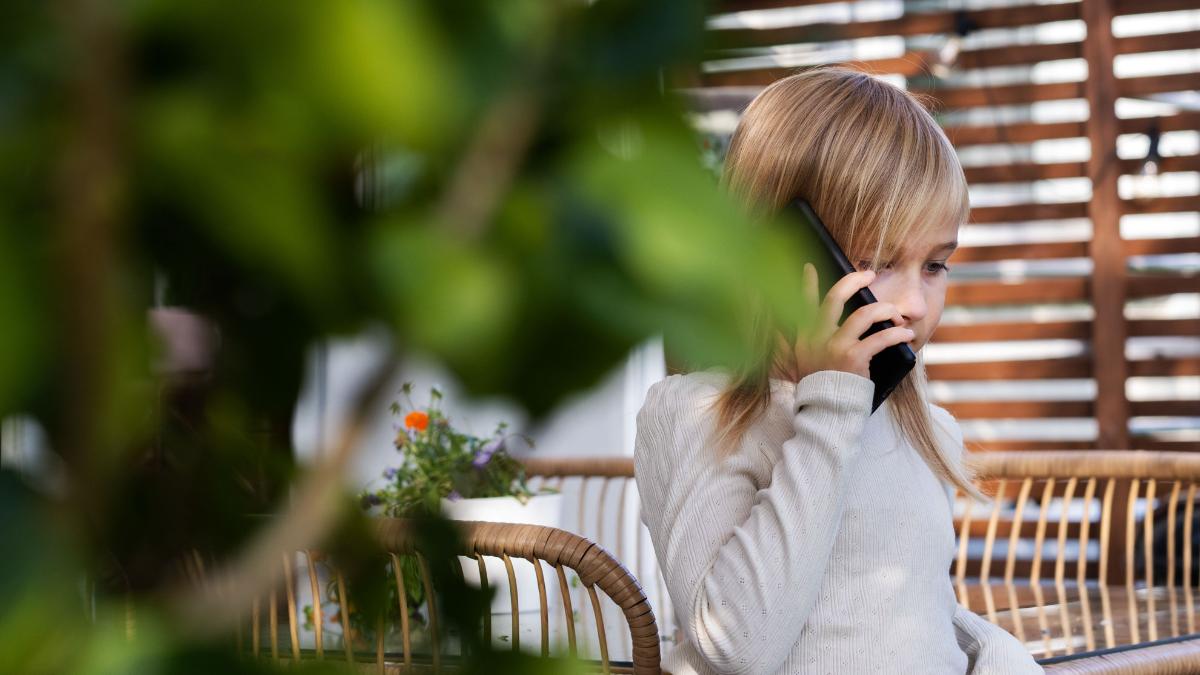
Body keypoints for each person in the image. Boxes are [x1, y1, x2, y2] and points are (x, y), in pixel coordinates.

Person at [634, 67, 1044, 674]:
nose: (915, 302)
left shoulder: (922, 429)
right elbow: (735, 648)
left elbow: (906, 615)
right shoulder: (702, 414)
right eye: (878, 260)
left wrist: (995, 654)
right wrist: (831, 408)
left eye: (936, 264)